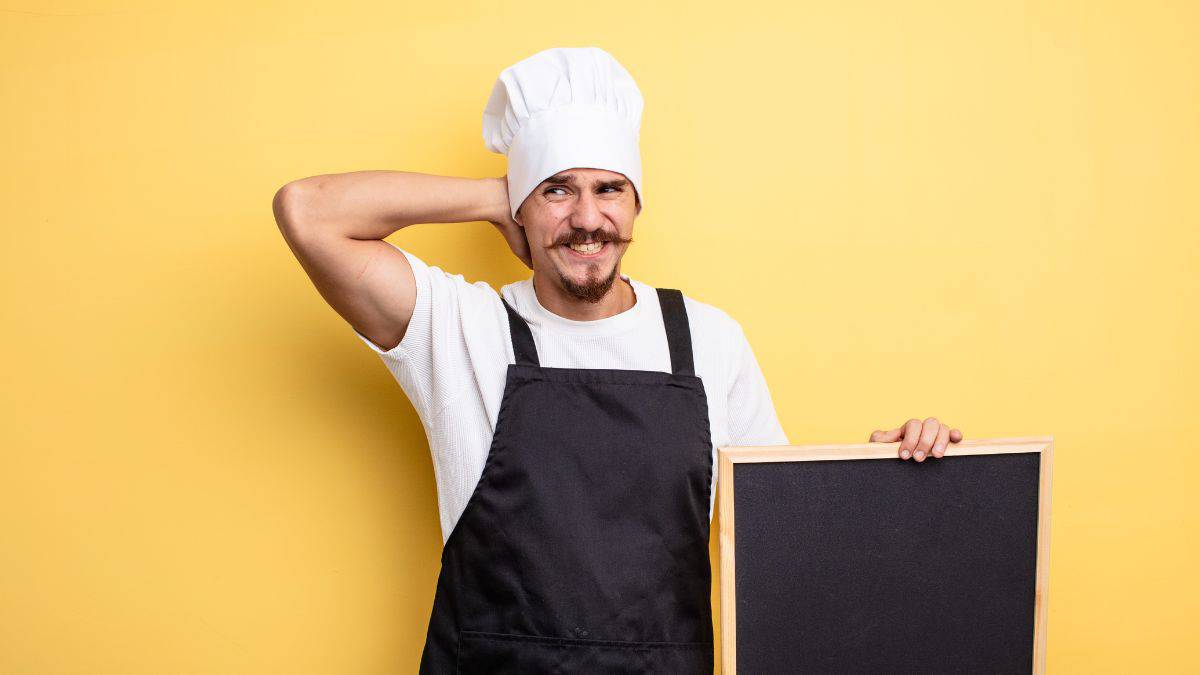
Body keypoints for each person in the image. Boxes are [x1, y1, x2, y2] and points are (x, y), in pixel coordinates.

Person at [272, 46, 963, 674]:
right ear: (522, 207)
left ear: (637, 204)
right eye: (557, 189)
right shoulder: (463, 326)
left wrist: (890, 482)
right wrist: (494, 194)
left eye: (609, 189)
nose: (586, 218)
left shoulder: (707, 340)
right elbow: (307, 211)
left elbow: (783, 540)